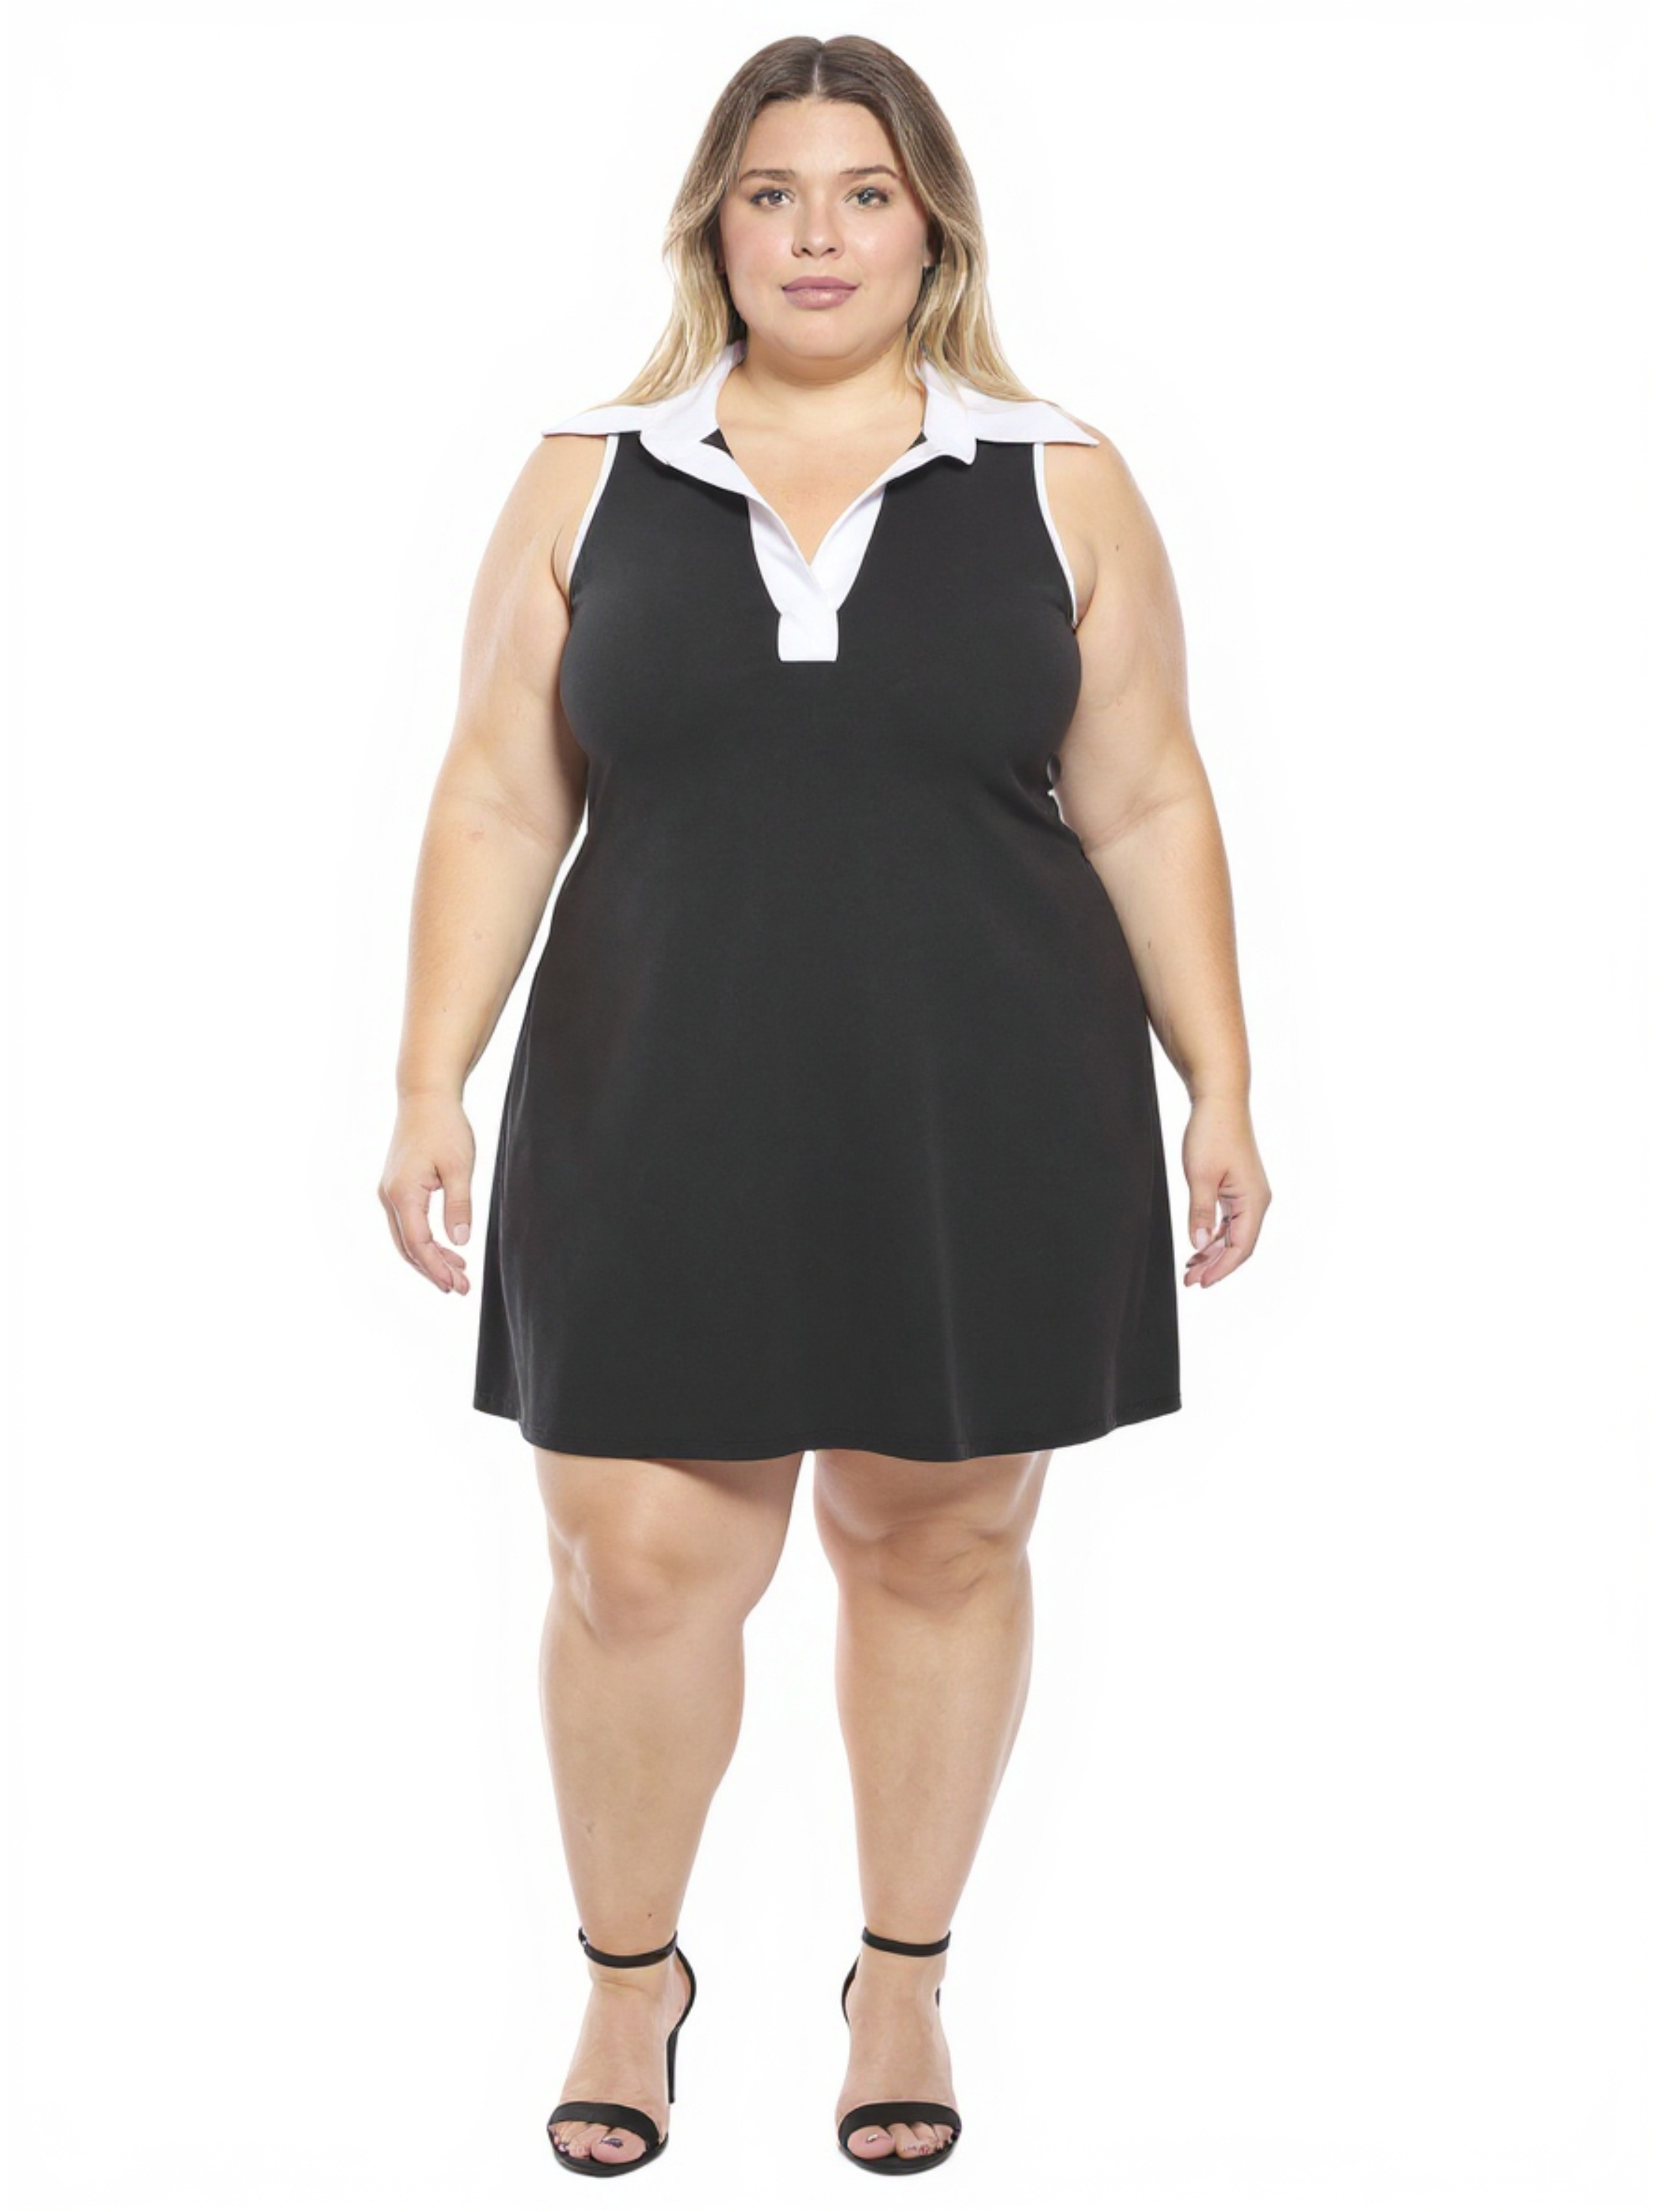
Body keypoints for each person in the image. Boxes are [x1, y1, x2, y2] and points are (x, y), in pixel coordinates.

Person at [378, 32, 1270, 2181]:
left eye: (863, 195)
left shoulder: (1059, 477)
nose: (817, 236)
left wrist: (1222, 1080)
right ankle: (629, 1976)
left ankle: (902, 1975)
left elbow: (1148, 796)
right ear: (714, 226)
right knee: (634, 1561)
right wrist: (428, 1075)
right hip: (653, 1082)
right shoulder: (592, 474)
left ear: (932, 228)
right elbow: (501, 791)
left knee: (939, 1537)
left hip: (984, 1090)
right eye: (772, 194)